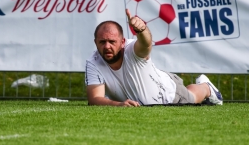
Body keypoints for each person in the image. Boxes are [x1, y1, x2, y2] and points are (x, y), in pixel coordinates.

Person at [85, 9, 223, 107]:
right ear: (95, 42)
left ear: (122, 42)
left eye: (112, 41)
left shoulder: (132, 49)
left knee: (193, 98)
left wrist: (142, 30)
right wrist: (119, 104)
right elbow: (95, 98)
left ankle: (206, 87)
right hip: (145, 98)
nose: (107, 46)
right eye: (102, 42)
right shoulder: (93, 62)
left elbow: (146, 45)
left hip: (167, 93)